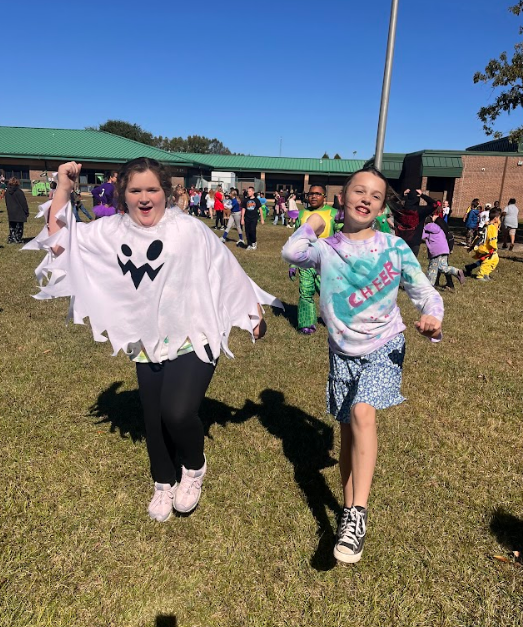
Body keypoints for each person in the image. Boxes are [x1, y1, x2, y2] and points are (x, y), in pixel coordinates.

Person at [24, 158, 281, 522]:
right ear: (122, 195)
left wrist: (252, 311)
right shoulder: (110, 230)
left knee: (177, 412)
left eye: (152, 190)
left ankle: (193, 467)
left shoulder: (190, 229)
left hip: (195, 333)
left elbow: (225, 268)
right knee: (153, 416)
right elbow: (61, 243)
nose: (144, 199)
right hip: (146, 340)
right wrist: (64, 188)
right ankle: (163, 482)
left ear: (165, 192)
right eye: (135, 191)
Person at [282, 167, 443, 564]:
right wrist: (317, 221)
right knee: (348, 434)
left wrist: (432, 318)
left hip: (385, 346)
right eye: (359, 190)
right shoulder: (326, 247)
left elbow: (424, 291)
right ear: (343, 197)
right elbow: (292, 252)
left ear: (381, 205)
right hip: (341, 351)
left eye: (375, 194)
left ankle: (357, 513)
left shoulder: (394, 247)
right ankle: (349, 515)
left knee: (362, 413)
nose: (366, 198)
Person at [288, 184, 341, 335]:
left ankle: (335, 320)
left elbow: (341, 238)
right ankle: (307, 323)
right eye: (311, 194)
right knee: (305, 292)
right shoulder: (301, 214)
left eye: (318, 194)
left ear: (324, 197)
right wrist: (292, 263)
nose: (313, 196)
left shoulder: (334, 214)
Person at [390, 189, 438, 257]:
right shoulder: (420, 211)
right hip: (415, 241)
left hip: (400, 240)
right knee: (411, 264)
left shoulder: (399, 210)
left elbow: (389, 201)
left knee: (399, 263)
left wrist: (402, 194)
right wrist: (423, 195)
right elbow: (435, 204)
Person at [422, 212, 465, 287]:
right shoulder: (439, 228)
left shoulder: (426, 228)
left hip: (436, 251)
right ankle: (456, 271)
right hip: (445, 249)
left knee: (432, 269)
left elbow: (421, 236)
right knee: (443, 267)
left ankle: (429, 287)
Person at [464, 207, 501, 281]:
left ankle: (482, 272)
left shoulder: (487, 225)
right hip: (486, 248)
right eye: (499, 218)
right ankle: (480, 275)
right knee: (489, 261)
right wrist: (494, 248)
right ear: (496, 218)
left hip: (482, 247)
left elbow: (479, 236)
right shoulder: (492, 228)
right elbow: (492, 239)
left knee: (492, 260)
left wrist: (472, 246)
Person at [5, 177, 30, 243]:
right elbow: (23, 202)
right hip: (19, 211)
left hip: (11, 211)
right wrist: (26, 211)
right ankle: (17, 238)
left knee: (12, 226)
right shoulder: (19, 192)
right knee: (19, 226)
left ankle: (11, 238)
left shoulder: (7, 192)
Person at [241, 186, 264, 250]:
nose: (248, 192)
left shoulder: (256, 200)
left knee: (252, 230)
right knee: (247, 231)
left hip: (254, 218)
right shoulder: (246, 200)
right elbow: (243, 209)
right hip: (247, 218)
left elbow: (260, 209)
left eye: (250, 191)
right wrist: (242, 218)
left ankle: (253, 242)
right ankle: (249, 244)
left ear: (253, 192)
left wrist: (262, 219)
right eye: (248, 191)